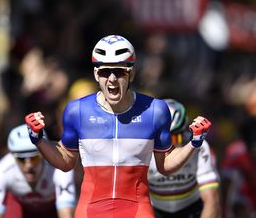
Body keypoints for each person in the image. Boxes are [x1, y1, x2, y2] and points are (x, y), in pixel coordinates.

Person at [24, 35, 212, 217]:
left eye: (120, 72)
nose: (112, 79)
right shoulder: (77, 110)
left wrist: (194, 143)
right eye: (105, 71)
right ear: (96, 74)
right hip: (91, 210)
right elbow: (66, 161)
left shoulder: (156, 110)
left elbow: (166, 165)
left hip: (137, 209)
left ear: (132, 73)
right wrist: (39, 140)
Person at [148, 99, 221, 218]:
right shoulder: (144, 147)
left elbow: (211, 199)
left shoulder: (199, 147)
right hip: (155, 209)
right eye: (163, 140)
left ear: (185, 132)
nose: (169, 146)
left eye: (175, 138)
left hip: (191, 208)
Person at [0, 124, 77, 218]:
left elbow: (66, 213)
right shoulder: (1, 171)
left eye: (34, 158)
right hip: (19, 207)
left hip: (51, 210)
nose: (28, 165)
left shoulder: (59, 168)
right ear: (12, 157)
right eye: (21, 159)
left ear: (44, 155)